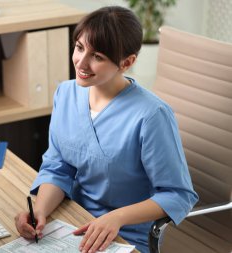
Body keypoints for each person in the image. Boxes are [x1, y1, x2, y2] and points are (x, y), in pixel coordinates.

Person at [15, 6, 198, 253]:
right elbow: (59, 166)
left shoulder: (152, 116)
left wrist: (117, 217)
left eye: (97, 57)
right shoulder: (66, 94)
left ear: (127, 62)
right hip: (73, 221)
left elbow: (178, 194)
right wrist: (39, 211)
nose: (82, 62)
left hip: (124, 236)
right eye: (79, 48)